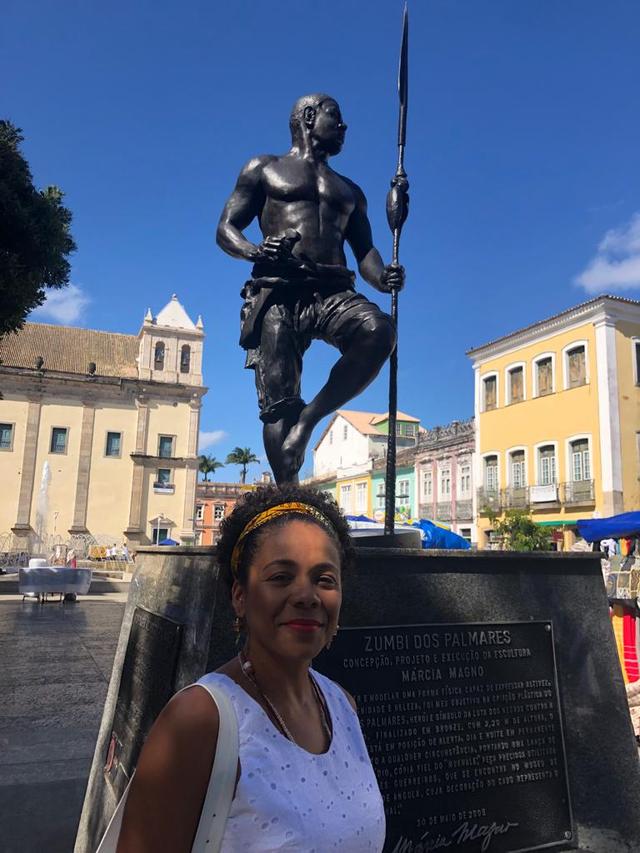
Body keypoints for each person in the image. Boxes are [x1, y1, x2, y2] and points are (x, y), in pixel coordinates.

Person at [116, 484, 385, 852]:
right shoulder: (199, 721)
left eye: (325, 579)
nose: (307, 596)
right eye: (280, 577)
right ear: (240, 597)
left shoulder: (343, 706)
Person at [217, 94, 405, 483]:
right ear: (307, 116)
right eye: (335, 116)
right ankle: (288, 496)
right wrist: (256, 250)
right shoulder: (264, 168)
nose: (344, 126)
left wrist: (383, 276)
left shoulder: (350, 191)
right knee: (278, 403)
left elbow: (364, 251)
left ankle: (310, 418)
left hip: (334, 291)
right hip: (279, 289)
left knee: (380, 331)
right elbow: (225, 229)